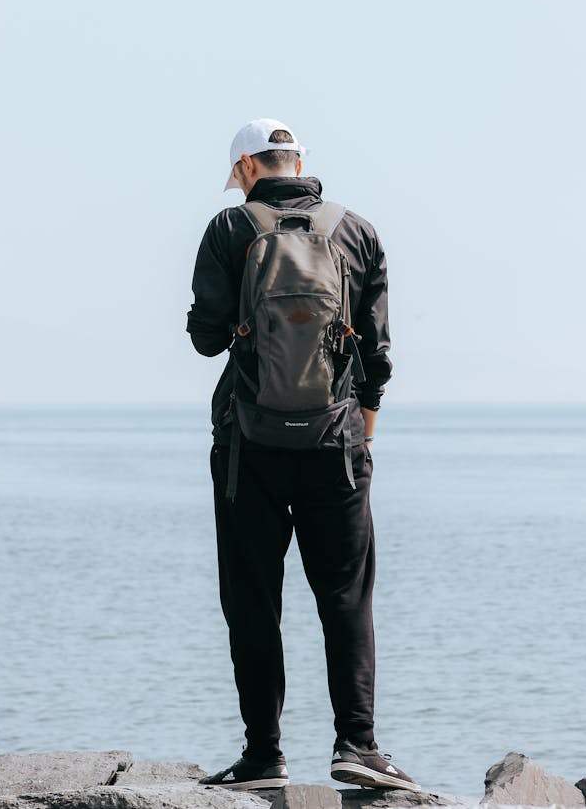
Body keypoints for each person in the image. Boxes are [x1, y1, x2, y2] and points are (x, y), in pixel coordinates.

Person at [186, 118, 418, 792]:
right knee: (345, 595)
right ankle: (359, 744)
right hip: (337, 442)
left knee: (253, 598)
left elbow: (205, 339)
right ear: (296, 161)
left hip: (247, 445)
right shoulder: (357, 229)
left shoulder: (230, 231)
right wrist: (360, 432)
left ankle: (264, 754)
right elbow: (377, 356)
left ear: (248, 168)